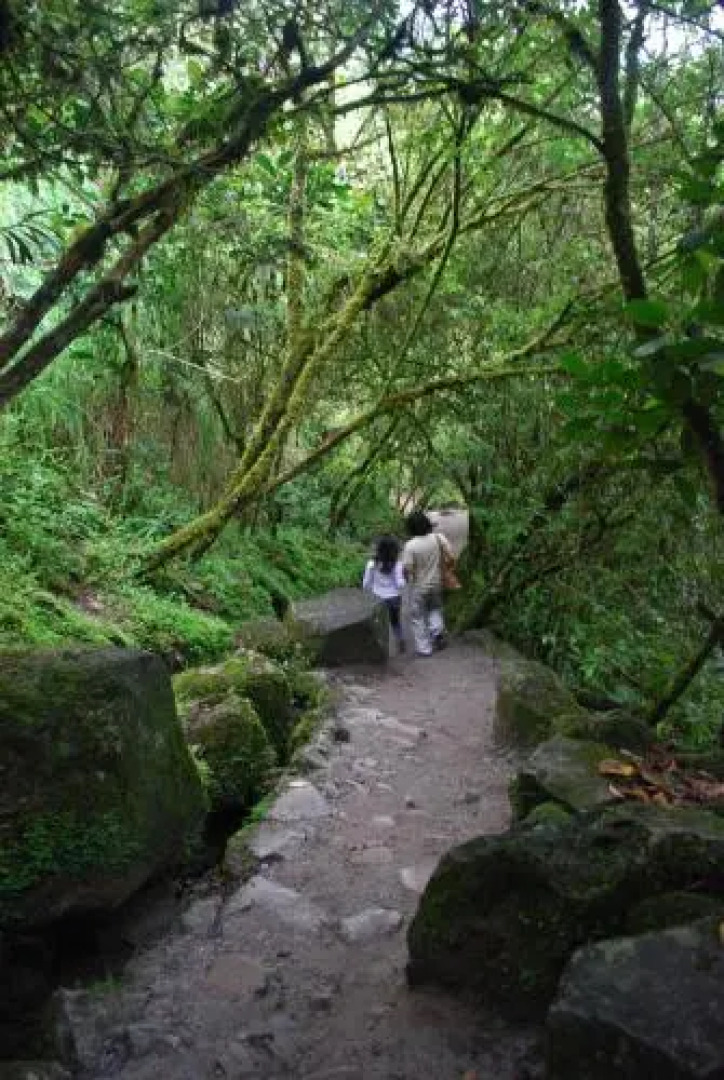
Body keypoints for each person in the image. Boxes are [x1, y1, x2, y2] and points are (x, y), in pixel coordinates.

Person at [402, 510, 455, 657]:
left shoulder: (410, 545)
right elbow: (451, 557)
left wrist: (407, 580)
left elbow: (407, 568)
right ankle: (437, 632)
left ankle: (424, 649)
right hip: (437, 583)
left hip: (419, 586)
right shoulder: (438, 538)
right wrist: (447, 569)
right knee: (435, 609)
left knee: (417, 616)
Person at [362, 535, 406, 653]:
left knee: (379, 623)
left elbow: (366, 583)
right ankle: (400, 640)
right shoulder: (397, 564)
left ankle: (381, 647)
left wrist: (367, 593)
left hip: (377, 598)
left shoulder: (372, 564)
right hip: (394, 598)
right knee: (395, 621)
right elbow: (400, 584)